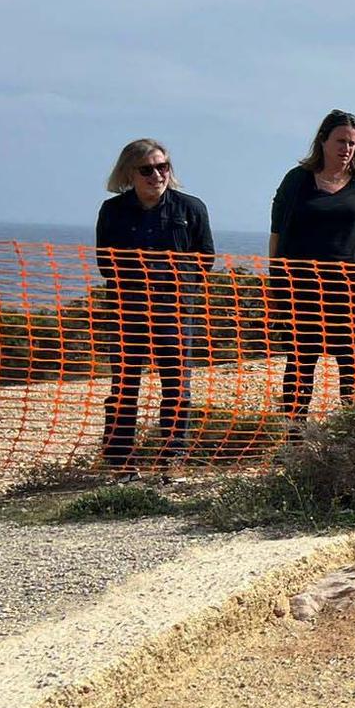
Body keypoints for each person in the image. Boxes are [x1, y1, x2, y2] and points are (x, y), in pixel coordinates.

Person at [269, 110, 355, 419]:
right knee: (300, 361)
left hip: (354, 288)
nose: (347, 149)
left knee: (352, 362)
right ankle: (294, 437)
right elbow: (276, 235)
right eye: (341, 141)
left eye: (352, 143)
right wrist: (274, 282)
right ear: (323, 141)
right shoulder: (297, 180)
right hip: (302, 288)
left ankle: (353, 437)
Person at [93, 139, 214, 470]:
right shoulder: (113, 212)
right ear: (129, 173)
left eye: (163, 167)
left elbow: (206, 259)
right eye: (147, 169)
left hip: (176, 312)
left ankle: (172, 458)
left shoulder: (191, 209)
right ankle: (118, 459)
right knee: (124, 385)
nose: (157, 175)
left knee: (177, 386)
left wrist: (169, 279)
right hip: (127, 311)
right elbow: (106, 263)